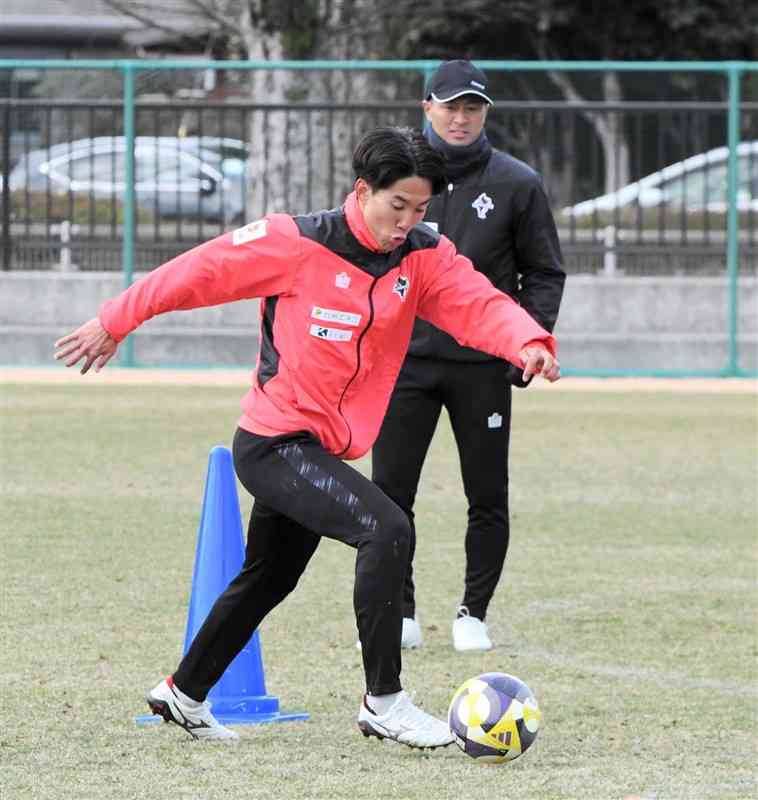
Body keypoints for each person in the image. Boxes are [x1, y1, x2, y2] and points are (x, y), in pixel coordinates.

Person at [54, 126, 560, 748]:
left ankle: (182, 693)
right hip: (273, 443)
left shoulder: (423, 257)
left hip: (318, 449)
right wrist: (115, 319)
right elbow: (197, 272)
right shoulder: (294, 242)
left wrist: (528, 340)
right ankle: (385, 702)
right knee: (387, 527)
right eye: (396, 205)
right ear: (362, 190)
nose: (407, 221)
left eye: (420, 209)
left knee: (270, 576)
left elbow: (478, 303)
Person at [371, 62, 566, 652]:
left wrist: (524, 343)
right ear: (425, 105)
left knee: (487, 494)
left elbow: (544, 273)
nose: (461, 118)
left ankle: (472, 613)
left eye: (473, 107)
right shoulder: (396, 178)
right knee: (389, 495)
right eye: (451, 106)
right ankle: (398, 612)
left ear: (485, 113)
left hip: (482, 368)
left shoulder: (517, 182)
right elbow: (365, 258)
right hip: (405, 364)